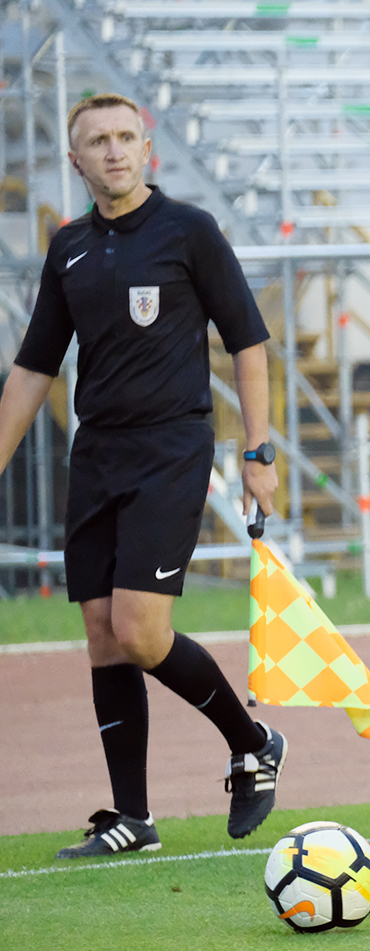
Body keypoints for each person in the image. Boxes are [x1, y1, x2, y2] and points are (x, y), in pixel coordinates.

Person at [0, 93, 287, 858]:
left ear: (147, 149)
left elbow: (248, 343)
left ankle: (251, 740)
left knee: (139, 629)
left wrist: (259, 453)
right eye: (97, 141)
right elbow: (33, 370)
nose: (114, 150)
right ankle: (134, 818)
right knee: (101, 636)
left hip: (172, 449)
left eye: (126, 137)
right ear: (77, 159)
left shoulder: (189, 231)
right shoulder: (68, 249)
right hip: (96, 454)